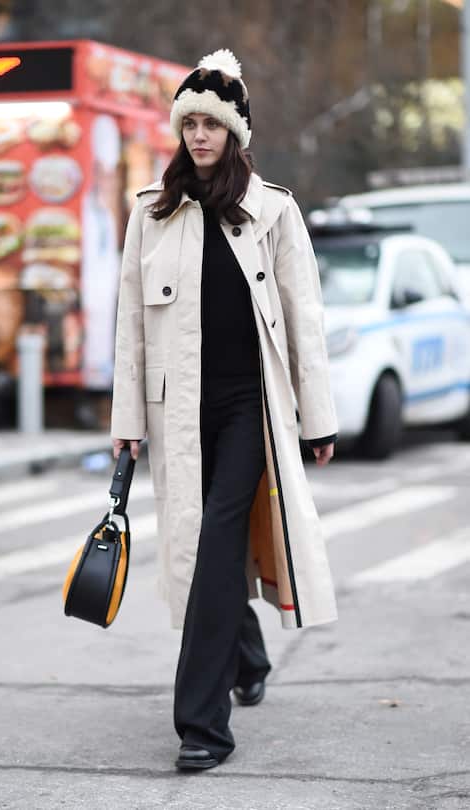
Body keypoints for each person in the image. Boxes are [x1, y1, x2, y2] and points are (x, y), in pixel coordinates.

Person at [110, 48, 338, 771]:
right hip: (180, 411)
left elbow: (304, 317)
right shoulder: (151, 212)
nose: (200, 136)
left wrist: (317, 417)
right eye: (190, 123)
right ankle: (247, 657)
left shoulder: (272, 209)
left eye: (213, 123)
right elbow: (130, 331)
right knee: (202, 552)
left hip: (250, 409)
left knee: (212, 547)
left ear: (235, 132)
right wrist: (127, 428)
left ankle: (202, 725)